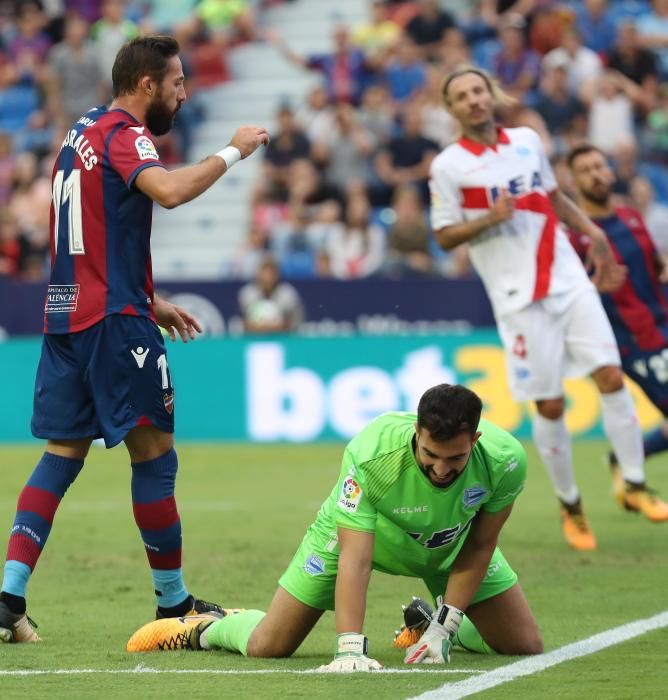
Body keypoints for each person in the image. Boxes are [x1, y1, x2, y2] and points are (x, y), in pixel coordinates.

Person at [0, 35, 269, 644]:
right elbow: (169, 193)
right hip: (113, 326)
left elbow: (89, 235)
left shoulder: (80, 134)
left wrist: (148, 299)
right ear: (147, 84)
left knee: (60, 455)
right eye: (176, 83)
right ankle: (173, 605)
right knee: (154, 454)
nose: (182, 93)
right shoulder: (126, 132)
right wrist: (235, 150)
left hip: (68, 317)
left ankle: (7, 599)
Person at [126, 384, 543, 669]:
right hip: (365, 540)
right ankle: (205, 626)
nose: (440, 469)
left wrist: (444, 627)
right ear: (417, 432)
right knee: (269, 646)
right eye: (431, 454)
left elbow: (482, 543)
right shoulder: (371, 454)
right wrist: (350, 647)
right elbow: (356, 559)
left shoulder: (505, 461)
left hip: (451, 544)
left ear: (475, 439)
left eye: (454, 459)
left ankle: (426, 621)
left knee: (523, 645)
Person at [429, 66, 668, 553]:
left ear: (491, 94)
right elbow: (444, 234)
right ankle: (571, 503)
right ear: (451, 109)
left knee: (611, 376)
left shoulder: (526, 141)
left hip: (567, 279)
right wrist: (485, 221)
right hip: (518, 297)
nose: (474, 100)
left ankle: (636, 483)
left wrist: (595, 234)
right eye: (462, 96)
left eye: (479, 90)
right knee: (551, 403)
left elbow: (554, 196)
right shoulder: (449, 166)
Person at [567, 144, 668, 491]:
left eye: (600, 166)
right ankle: (628, 464)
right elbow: (568, 297)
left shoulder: (631, 217)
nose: (596, 174)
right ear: (574, 182)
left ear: (611, 171)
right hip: (634, 340)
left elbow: (654, 267)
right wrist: (592, 287)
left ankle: (625, 458)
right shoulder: (576, 238)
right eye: (585, 170)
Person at [238, 255, 305, 333]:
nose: (268, 277)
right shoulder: (248, 293)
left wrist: (274, 326)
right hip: (253, 338)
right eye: (264, 273)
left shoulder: (287, 293)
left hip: (284, 338)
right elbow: (243, 322)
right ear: (258, 274)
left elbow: (293, 322)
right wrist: (260, 327)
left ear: (277, 274)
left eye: (271, 273)